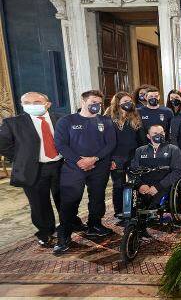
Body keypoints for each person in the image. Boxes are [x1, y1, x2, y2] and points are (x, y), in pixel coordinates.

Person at [0, 92, 80, 247]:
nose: (32, 105)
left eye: (36, 101)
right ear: (22, 105)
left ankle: (71, 223)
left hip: (61, 166)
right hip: (34, 169)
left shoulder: (63, 119)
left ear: (47, 104)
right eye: (27, 102)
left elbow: (73, 140)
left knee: (66, 198)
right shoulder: (13, 123)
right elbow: (2, 145)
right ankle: (46, 232)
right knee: (39, 204)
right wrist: (22, 157)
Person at [53, 90, 117, 254]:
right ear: (83, 102)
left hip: (99, 166)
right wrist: (79, 161)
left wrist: (94, 159)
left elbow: (110, 144)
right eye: (93, 101)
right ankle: (64, 236)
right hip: (74, 167)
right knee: (70, 201)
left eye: (99, 102)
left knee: (97, 198)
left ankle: (95, 225)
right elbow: (61, 144)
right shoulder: (66, 121)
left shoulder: (106, 120)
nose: (96, 105)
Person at [105, 91, 146, 219]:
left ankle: (136, 208)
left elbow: (142, 139)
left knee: (136, 182)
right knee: (118, 185)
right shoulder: (108, 118)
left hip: (133, 156)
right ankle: (119, 211)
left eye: (130, 101)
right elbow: (105, 141)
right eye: (125, 102)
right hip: (116, 157)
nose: (128, 103)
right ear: (118, 104)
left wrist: (143, 155)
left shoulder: (135, 116)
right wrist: (109, 159)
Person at [130, 125, 181, 210]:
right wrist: (140, 185)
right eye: (155, 133)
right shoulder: (140, 151)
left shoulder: (173, 149)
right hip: (145, 185)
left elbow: (177, 171)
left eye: (161, 133)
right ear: (148, 136)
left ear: (165, 134)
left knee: (154, 205)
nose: (159, 135)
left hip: (164, 184)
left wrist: (158, 187)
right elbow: (133, 170)